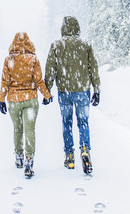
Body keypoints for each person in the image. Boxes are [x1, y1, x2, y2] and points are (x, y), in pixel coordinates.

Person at [44, 16, 100, 174]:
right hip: (82, 90)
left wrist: (47, 90)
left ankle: (69, 155)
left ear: (63, 28)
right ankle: (85, 149)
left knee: (66, 122)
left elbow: (50, 69)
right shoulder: (86, 44)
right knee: (83, 121)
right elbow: (93, 67)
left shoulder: (57, 45)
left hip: (64, 91)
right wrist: (97, 89)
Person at [0, 32, 53, 178]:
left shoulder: (9, 60)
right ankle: (29, 160)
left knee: (17, 129)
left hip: (14, 100)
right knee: (30, 131)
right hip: (30, 99)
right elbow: (39, 80)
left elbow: (5, 81)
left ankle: (19, 157)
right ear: (29, 43)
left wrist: (2, 100)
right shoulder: (33, 59)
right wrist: (47, 95)